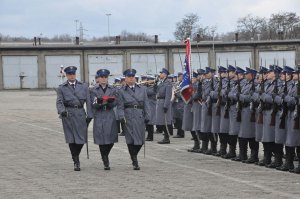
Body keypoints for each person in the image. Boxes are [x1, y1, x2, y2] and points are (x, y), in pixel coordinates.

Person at [56, 66, 93, 171]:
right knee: (71, 138)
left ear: (75, 75)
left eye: (73, 74)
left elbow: (89, 102)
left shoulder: (84, 86)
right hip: (68, 114)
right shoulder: (61, 88)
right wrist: (62, 111)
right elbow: (59, 101)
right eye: (69, 74)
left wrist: (90, 115)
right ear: (67, 75)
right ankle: (76, 161)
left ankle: (75, 155)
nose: (72, 76)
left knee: (81, 139)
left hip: (80, 113)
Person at [117, 69, 150, 170]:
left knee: (140, 140)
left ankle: (134, 154)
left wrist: (148, 115)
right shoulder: (121, 90)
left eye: (133, 76)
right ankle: (135, 160)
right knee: (130, 139)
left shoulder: (142, 89)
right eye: (129, 76)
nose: (131, 78)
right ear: (125, 78)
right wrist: (121, 116)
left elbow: (146, 103)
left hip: (139, 115)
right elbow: (120, 106)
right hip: (128, 116)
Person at [90, 69, 118, 170]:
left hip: (110, 113)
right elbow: (93, 103)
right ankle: (105, 159)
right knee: (101, 138)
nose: (104, 79)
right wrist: (101, 102)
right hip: (100, 114)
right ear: (98, 78)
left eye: (105, 77)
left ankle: (105, 154)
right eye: (102, 77)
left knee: (111, 138)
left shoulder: (113, 89)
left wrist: (110, 101)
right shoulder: (94, 90)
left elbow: (115, 102)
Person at [155, 68, 173, 144]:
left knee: (165, 121)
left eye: (161, 73)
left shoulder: (168, 83)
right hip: (159, 102)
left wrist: (166, 106)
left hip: (164, 103)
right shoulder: (161, 82)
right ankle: (165, 136)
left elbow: (168, 96)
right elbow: (156, 91)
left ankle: (166, 137)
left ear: (165, 74)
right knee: (160, 121)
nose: (160, 74)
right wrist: (155, 84)